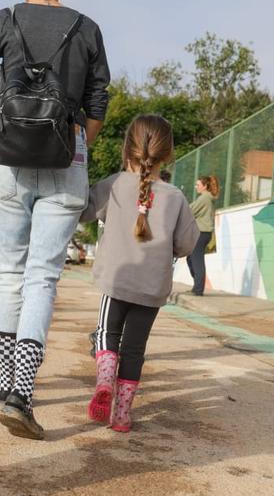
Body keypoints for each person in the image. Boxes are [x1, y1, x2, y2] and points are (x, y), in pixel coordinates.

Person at [0, 0, 111, 440]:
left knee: (12, 275)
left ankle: (4, 384)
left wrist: (1, 114)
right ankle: (22, 392)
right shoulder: (87, 28)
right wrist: (75, 136)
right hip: (67, 160)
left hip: (10, 164)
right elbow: (97, 104)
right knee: (43, 278)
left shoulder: (3, 20)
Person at [83, 115, 198, 432]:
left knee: (107, 334)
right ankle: (121, 416)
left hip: (117, 280)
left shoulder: (115, 185)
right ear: (168, 154)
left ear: (127, 148)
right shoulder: (176, 197)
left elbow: (84, 211)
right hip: (151, 289)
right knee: (134, 350)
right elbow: (187, 243)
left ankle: (104, 379)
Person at [187, 175, 220, 296]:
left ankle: (198, 289)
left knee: (197, 259)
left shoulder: (204, 198)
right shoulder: (205, 198)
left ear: (205, 186)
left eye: (198, 185)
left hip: (202, 233)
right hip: (204, 233)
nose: (196, 187)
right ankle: (197, 286)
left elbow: (190, 211)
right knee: (191, 258)